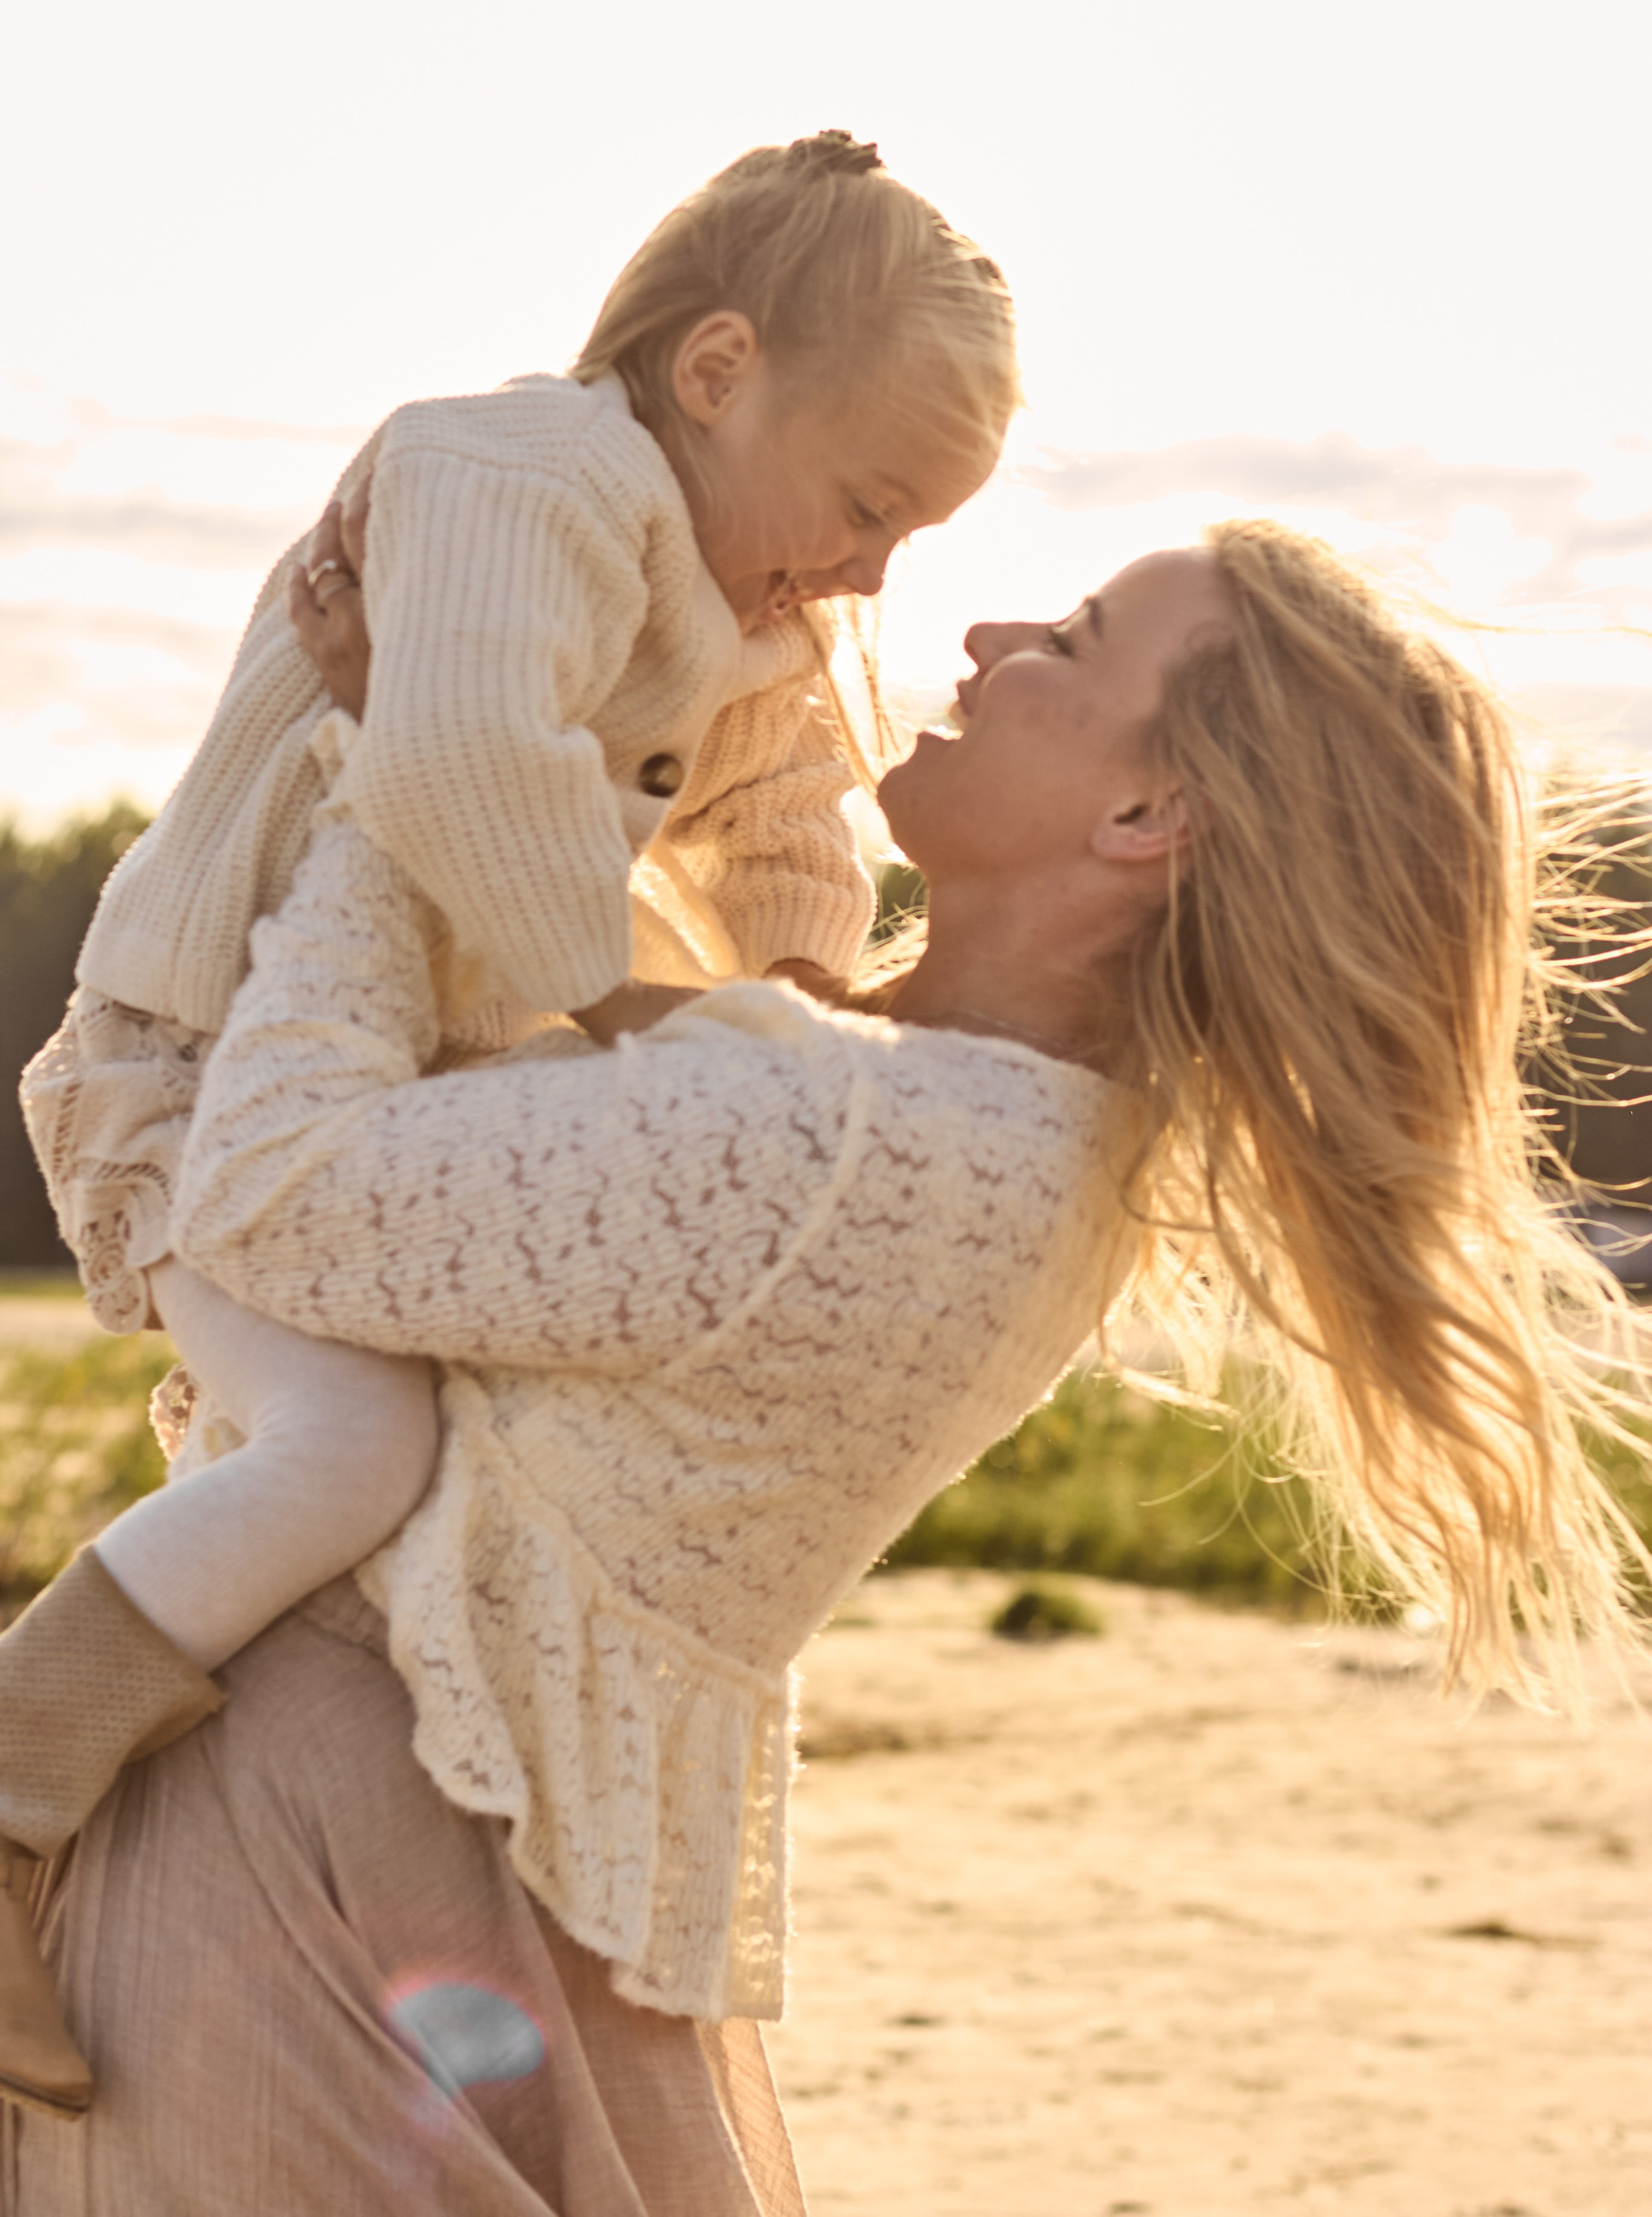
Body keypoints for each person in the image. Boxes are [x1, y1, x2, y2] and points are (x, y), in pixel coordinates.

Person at [6, 521, 1646, 2213]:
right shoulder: (991, 1115)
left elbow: (269, 1193)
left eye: (1074, 642)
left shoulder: (879, 1140)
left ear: (1148, 819)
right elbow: (590, 984)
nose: (998, 629)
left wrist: (391, 783)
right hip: (489, 1888)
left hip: (319, 1897)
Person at [1, 133, 1014, 2117]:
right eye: (869, 502)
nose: (877, 569)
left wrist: (800, 1009)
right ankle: (18, 1781)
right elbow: (455, 743)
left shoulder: (766, 611)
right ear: (716, 371)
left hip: (419, 1066)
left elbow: (793, 823)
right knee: (346, 1440)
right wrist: (643, 1006)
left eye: (916, 535)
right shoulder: (512, 473)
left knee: (526, 1386)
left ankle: (365, 1797)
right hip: (211, 1057)